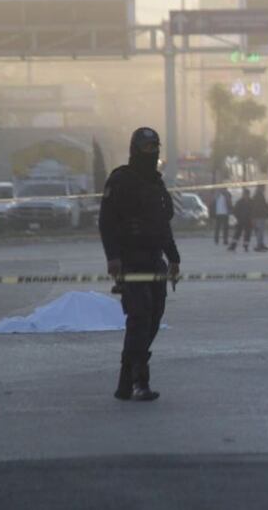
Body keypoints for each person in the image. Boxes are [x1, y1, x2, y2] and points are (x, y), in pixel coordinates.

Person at [99, 127, 180, 402]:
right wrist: (113, 258)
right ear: (136, 148)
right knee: (139, 319)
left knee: (154, 319)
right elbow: (107, 223)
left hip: (155, 261)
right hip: (130, 262)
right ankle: (138, 382)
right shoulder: (121, 180)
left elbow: (162, 225)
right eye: (147, 147)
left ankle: (125, 381)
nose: (152, 151)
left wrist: (174, 258)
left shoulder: (156, 183)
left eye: (155, 146)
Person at [250, 185, 268, 252]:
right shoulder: (258, 196)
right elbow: (257, 207)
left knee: (260, 231)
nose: (264, 189)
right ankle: (259, 245)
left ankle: (261, 244)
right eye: (263, 188)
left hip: (260, 216)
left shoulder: (258, 195)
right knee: (259, 231)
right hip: (259, 216)